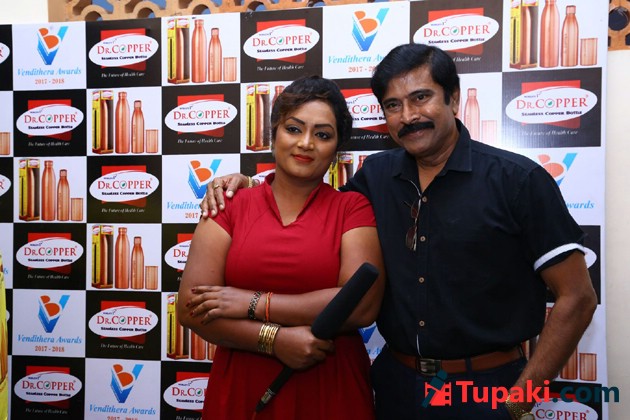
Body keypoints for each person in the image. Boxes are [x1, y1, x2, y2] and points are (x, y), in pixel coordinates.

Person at [200, 44, 597, 420]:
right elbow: (308, 202)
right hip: (396, 386)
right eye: (393, 105)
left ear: (454, 99)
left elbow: (577, 297)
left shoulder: (517, 180)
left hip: (484, 388)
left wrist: (519, 402)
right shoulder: (376, 177)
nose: (408, 116)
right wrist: (247, 184)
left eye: (421, 98)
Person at [177, 75, 385, 420]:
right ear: (274, 132)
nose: (306, 143)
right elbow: (191, 309)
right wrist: (272, 339)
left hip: (331, 385)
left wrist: (253, 302)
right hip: (243, 385)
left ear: (337, 148)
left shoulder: (353, 208)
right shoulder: (228, 203)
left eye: (323, 135)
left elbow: (361, 305)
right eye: (293, 128)